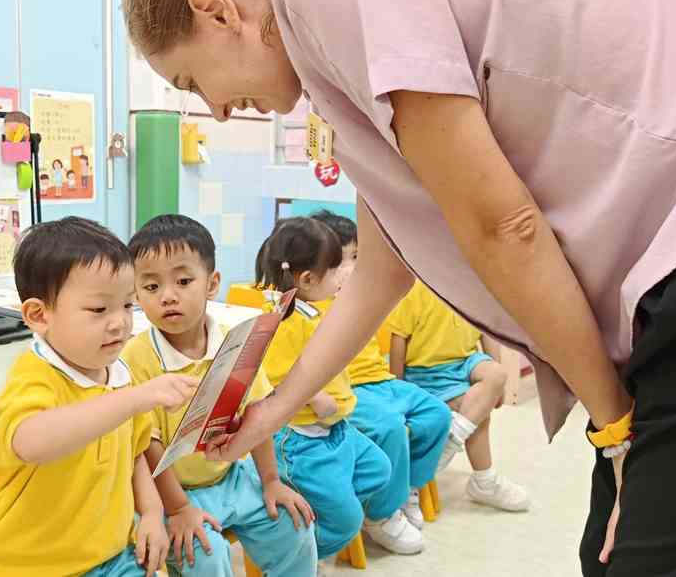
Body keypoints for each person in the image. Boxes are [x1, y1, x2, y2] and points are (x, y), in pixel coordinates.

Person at [121, 0, 676, 575]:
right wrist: (274, 409)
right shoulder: (342, 71)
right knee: (622, 546)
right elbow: (384, 275)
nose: (213, 112)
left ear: (216, 11)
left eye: (190, 82)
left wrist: (618, 428)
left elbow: (505, 226)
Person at [0, 218, 198, 577]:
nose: (119, 323)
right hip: (20, 566)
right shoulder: (36, 375)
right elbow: (33, 442)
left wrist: (150, 514)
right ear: (39, 315)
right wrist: (133, 399)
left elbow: (134, 456)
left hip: (110, 558)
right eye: (100, 310)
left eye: (127, 306)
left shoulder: (118, 374)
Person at [121, 214, 318, 576]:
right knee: (205, 556)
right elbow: (146, 447)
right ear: (136, 295)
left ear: (212, 284)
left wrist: (272, 481)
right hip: (170, 492)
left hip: (230, 477)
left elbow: (258, 416)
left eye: (183, 281)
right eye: (151, 288)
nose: (167, 296)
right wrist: (179, 509)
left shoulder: (235, 341)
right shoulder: (134, 359)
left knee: (295, 525)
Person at [257, 218, 413, 559]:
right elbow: (272, 375)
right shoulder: (283, 319)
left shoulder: (315, 309)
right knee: (346, 521)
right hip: (303, 438)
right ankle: (298, 556)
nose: (345, 272)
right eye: (337, 266)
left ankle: (322, 511)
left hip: (335, 429)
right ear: (308, 279)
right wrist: (315, 396)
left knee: (379, 469)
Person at [311, 210, 450, 530]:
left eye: (355, 256)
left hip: (382, 381)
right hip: (349, 389)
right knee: (388, 427)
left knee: (437, 413)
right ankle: (382, 514)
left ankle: (407, 490)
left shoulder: (363, 297)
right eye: (339, 261)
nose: (350, 268)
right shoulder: (315, 303)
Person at [388, 281, 529, 512]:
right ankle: (484, 480)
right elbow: (398, 338)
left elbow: (486, 333)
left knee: (497, 373)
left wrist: (499, 388)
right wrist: (397, 390)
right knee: (477, 410)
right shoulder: (417, 290)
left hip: (465, 362)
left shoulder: (475, 288)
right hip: (426, 374)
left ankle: (453, 440)